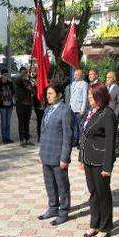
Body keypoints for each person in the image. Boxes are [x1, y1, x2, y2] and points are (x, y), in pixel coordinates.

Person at [78, 83, 117, 237]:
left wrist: (108, 166)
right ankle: (94, 224)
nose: (89, 98)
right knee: (93, 194)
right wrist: (81, 157)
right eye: (88, 95)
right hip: (88, 160)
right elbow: (84, 137)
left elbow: (111, 142)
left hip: (101, 162)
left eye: (91, 96)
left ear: (99, 96)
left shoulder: (108, 114)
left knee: (103, 194)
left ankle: (105, 226)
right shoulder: (91, 112)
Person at [37, 83, 73, 226]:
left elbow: (67, 136)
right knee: (49, 184)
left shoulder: (65, 111)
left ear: (59, 95)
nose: (48, 96)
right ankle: (53, 207)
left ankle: (63, 211)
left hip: (58, 156)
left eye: (51, 93)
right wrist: (41, 152)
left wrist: (65, 157)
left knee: (62, 185)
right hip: (46, 153)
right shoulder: (47, 109)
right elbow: (43, 132)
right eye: (47, 93)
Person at [14, 67, 34, 146]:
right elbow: (19, 81)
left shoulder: (28, 81)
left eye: (25, 73)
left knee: (27, 123)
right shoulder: (18, 81)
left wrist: (30, 88)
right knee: (21, 123)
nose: (24, 74)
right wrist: (23, 77)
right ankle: (21, 140)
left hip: (28, 104)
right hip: (20, 105)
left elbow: (33, 91)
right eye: (22, 73)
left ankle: (27, 139)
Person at [69, 69, 89, 147]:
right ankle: (75, 140)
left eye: (77, 75)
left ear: (81, 75)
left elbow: (84, 97)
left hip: (79, 108)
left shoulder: (84, 84)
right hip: (72, 108)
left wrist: (83, 109)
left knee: (80, 126)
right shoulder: (73, 83)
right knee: (74, 125)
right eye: (74, 74)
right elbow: (71, 97)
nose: (75, 76)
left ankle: (81, 141)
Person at [0, 69, 15, 144]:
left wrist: (13, 103)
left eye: (7, 74)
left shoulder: (10, 83)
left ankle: (7, 137)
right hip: (2, 105)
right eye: (4, 74)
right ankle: (4, 138)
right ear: (2, 75)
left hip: (10, 105)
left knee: (8, 122)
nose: (6, 76)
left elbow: (13, 93)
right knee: (3, 122)